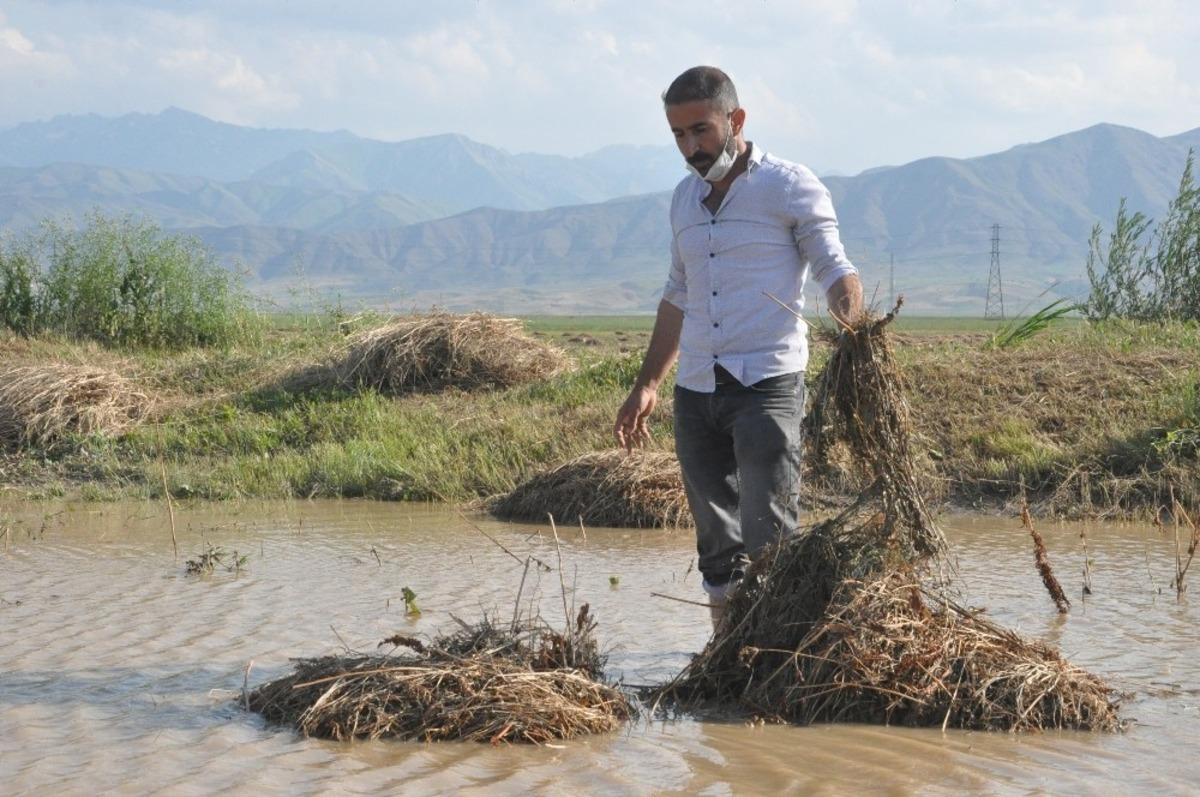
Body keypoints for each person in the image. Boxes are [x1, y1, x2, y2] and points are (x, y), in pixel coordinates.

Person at [613, 66, 864, 627]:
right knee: (715, 534)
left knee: (768, 531)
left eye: (700, 130)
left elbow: (832, 264)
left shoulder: (788, 185)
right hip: (697, 385)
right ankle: (725, 649)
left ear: (736, 119)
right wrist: (647, 385)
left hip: (767, 383)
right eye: (678, 135)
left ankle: (775, 648)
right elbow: (678, 295)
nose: (690, 147)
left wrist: (854, 327)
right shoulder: (683, 199)